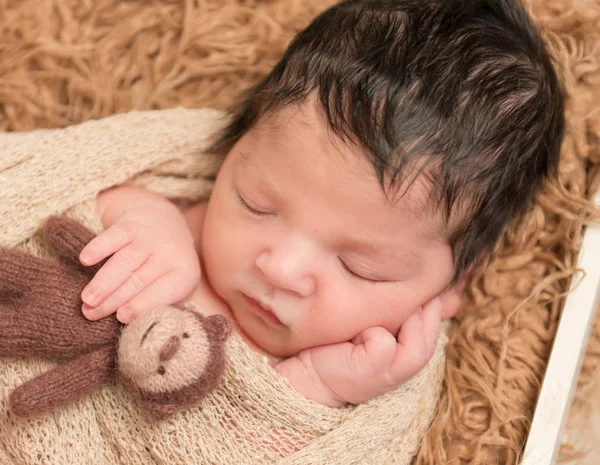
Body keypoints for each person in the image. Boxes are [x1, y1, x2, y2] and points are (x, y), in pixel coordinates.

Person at [74, 0, 563, 407]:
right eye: (256, 203)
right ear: (236, 143)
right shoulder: (186, 215)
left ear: (456, 281)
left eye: (360, 267)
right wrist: (146, 216)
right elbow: (67, 194)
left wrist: (316, 387)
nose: (281, 269)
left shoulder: (368, 375)